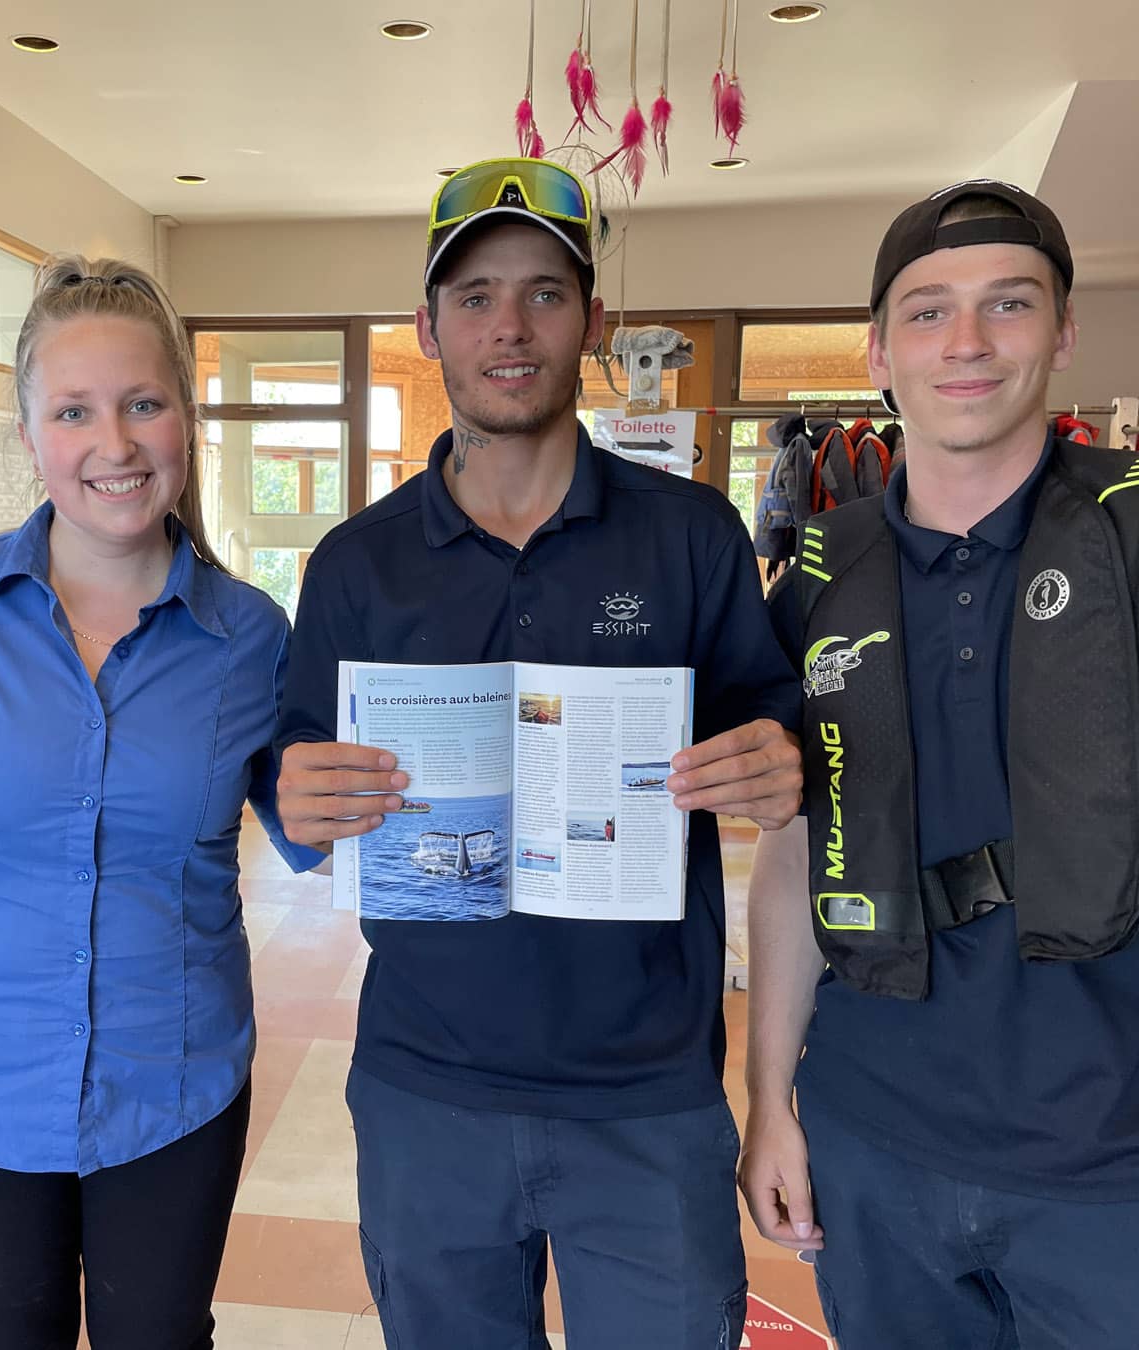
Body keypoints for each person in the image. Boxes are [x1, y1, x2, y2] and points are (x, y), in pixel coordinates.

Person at [274, 158, 803, 1350]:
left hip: (650, 1097)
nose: (508, 328)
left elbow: (782, 744)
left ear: (594, 324)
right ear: (429, 329)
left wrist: (776, 769)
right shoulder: (355, 566)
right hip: (427, 1089)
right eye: (473, 298)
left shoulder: (691, 536)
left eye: (544, 295)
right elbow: (294, 783)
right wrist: (296, 799)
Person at [740, 179, 1139, 1348]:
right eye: (927, 312)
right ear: (878, 349)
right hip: (873, 1157)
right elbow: (790, 860)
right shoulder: (819, 581)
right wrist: (768, 1103)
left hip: (1123, 1173)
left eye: (1009, 304)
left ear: (1065, 329)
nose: (966, 343)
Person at [0, 255, 322, 1350]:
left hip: (173, 1084)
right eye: (74, 411)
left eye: (143, 404)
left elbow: (307, 826)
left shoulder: (251, 634)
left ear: (187, 420)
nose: (113, 445)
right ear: (30, 432)